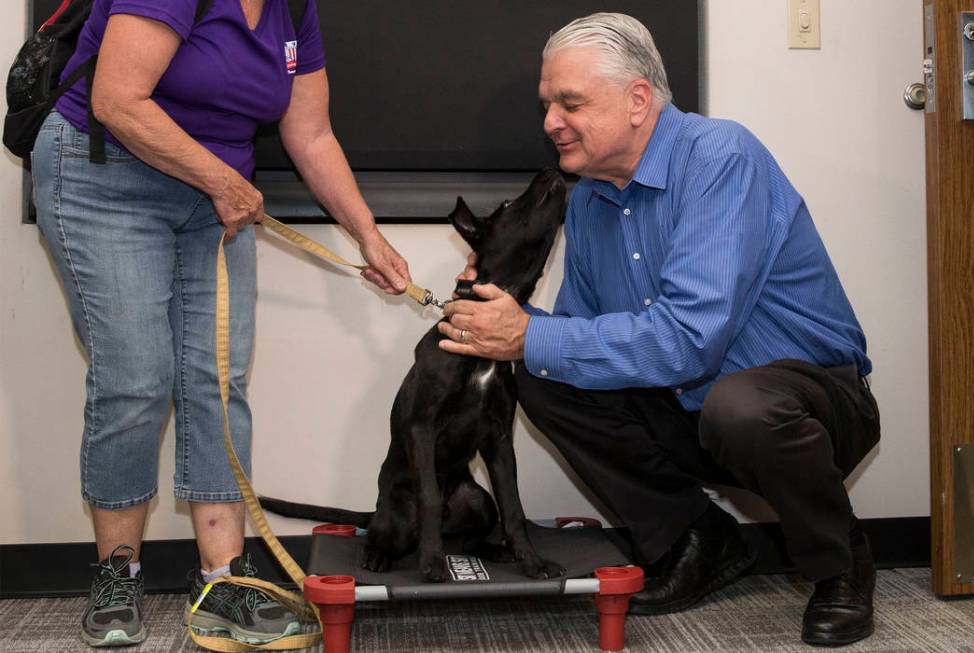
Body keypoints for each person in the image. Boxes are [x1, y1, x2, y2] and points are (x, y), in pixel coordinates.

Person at [439, 12, 881, 648]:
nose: (550, 123)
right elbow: (581, 336)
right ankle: (695, 539)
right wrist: (499, 317)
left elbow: (688, 341)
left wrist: (528, 334)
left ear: (638, 100)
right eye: (547, 105)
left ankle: (841, 563)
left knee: (740, 406)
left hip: (807, 406)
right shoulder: (590, 198)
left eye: (570, 103)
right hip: (695, 408)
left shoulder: (720, 157)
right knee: (544, 373)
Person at [30, 0, 410, 647]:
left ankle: (223, 579)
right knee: (137, 376)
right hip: (106, 176)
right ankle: (116, 577)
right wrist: (221, 180)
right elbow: (118, 99)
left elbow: (310, 132)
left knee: (219, 379)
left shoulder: (294, 9)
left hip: (214, 197)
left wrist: (368, 235)